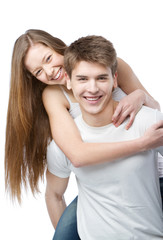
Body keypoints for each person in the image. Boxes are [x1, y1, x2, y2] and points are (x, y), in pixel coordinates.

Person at [4, 29, 163, 239]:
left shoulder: (111, 63)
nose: (49, 71)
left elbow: (155, 110)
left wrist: (139, 95)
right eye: (39, 72)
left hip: (149, 172)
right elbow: (77, 155)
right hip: (103, 177)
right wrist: (142, 144)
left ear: (58, 46)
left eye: (49, 59)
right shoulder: (53, 95)